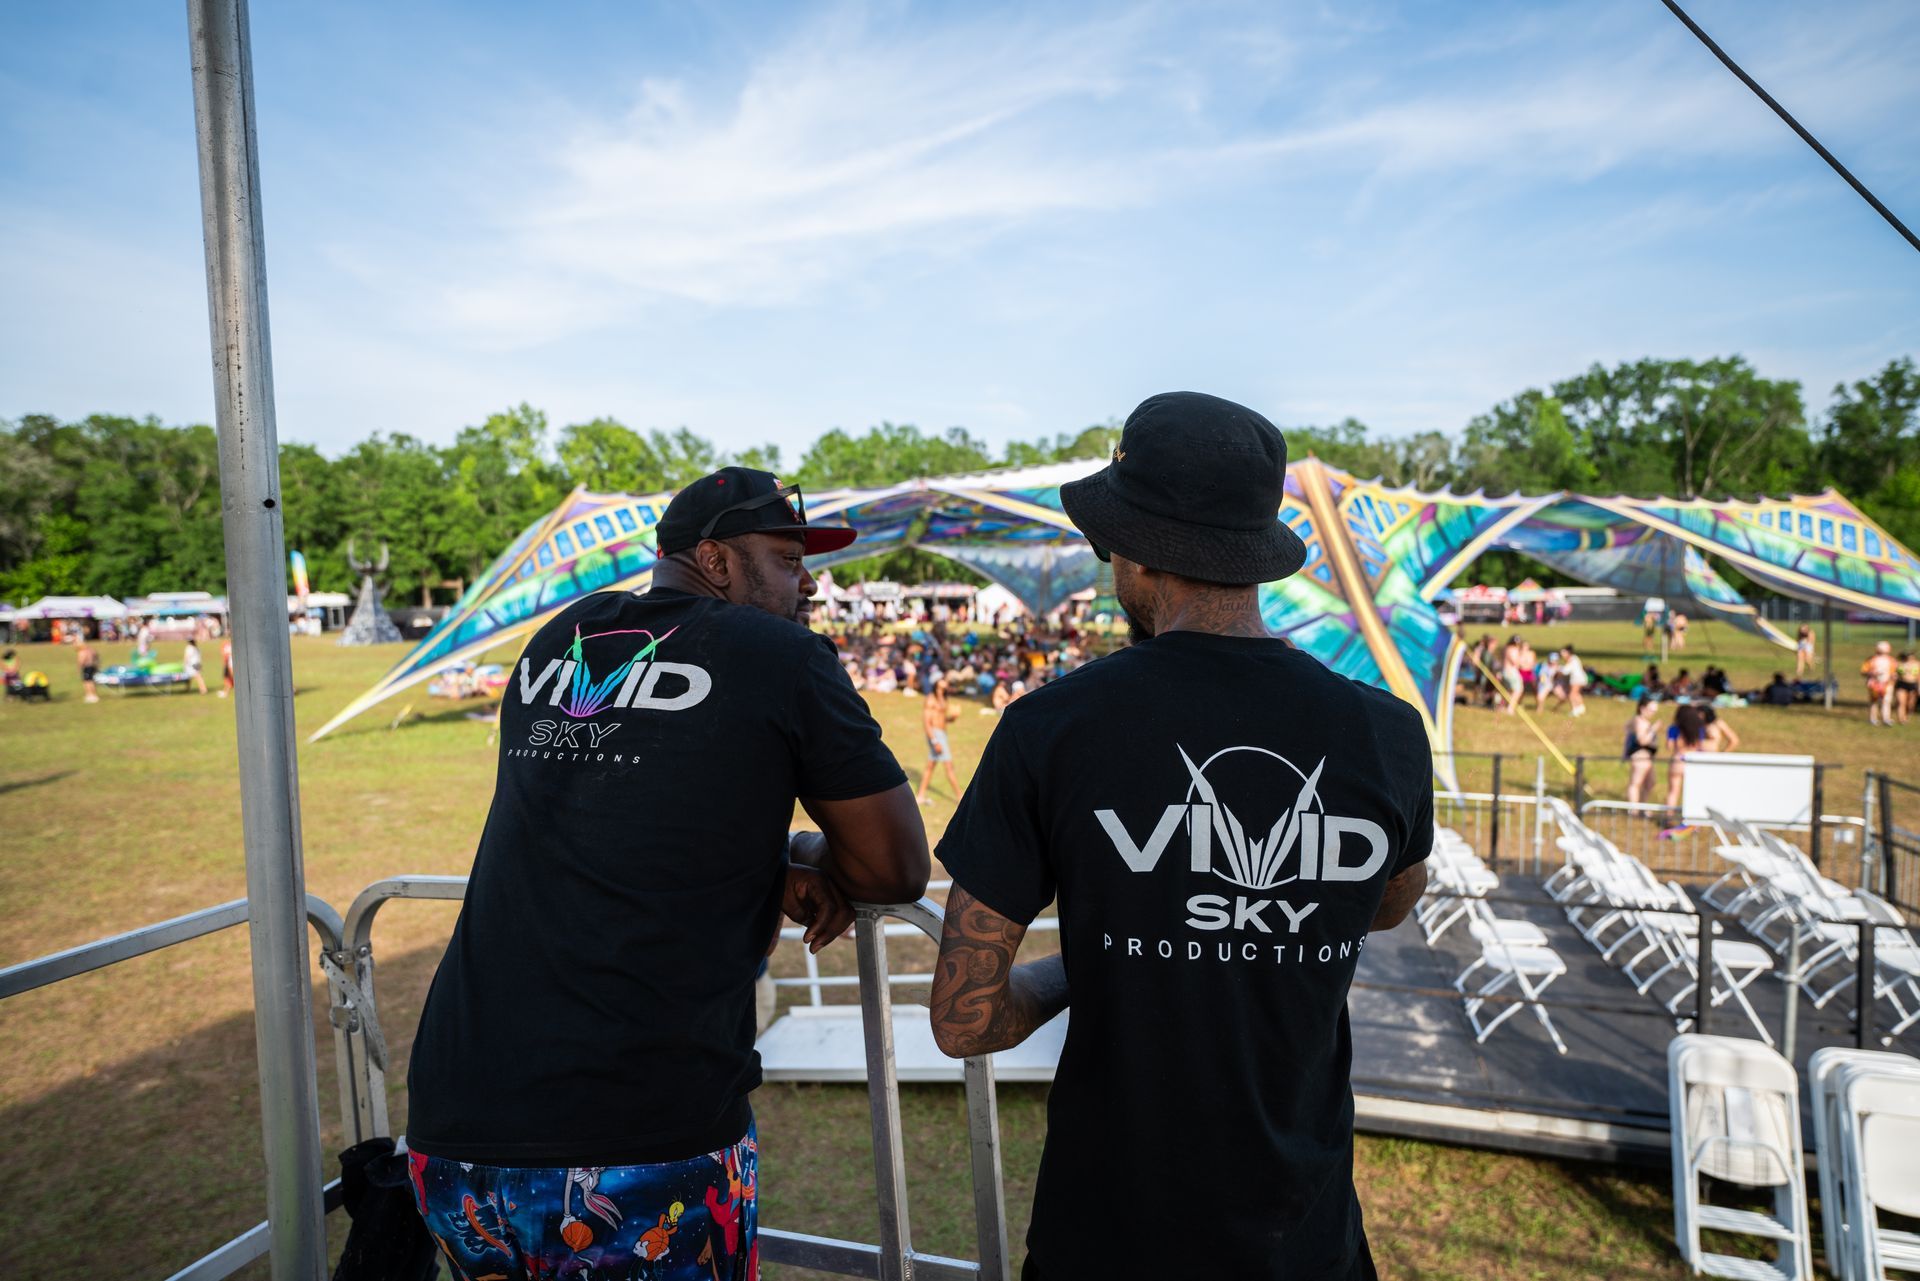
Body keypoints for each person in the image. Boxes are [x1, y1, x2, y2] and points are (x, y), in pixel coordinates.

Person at [927, 392, 1432, 1280]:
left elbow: (967, 1019)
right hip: (1304, 1241)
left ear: (1137, 551)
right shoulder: (1385, 730)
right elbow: (1391, 902)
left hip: (1110, 1237)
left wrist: (1093, 962)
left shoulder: (1055, 727)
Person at [405, 467, 930, 1278]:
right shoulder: (782, 654)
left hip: (456, 1128)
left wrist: (767, 853)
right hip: (634, 1140)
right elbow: (895, 866)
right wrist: (805, 851)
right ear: (716, 560)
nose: (812, 582)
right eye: (788, 558)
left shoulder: (561, 636)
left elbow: (625, 820)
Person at [916, 674, 963, 806]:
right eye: (942, 679)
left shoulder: (943, 698)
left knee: (931, 766)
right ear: (936, 682)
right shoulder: (930, 699)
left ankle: (920, 795)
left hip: (942, 734)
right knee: (949, 766)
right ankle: (961, 797)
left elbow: (942, 719)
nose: (945, 682)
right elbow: (927, 723)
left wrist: (952, 718)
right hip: (936, 735)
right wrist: (935, 741)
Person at [1665, 703, 1708, 809]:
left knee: (1673, 791)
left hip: (1678, 760)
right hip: (1693, 760)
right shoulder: (1699, 729)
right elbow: (1701, 747)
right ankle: (1694, 821)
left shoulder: (1674, 728)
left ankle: (1669, 817)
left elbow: (1669, 746)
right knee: (1694, 793)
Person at [1623, 697, 1661, 804]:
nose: (1652, 713)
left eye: (1654, 711)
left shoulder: (1642, 721)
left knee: (1650, 782)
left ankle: (1642, 807)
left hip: (1647, 756)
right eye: (1651, 710)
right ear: (1642, 708)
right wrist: (1653, 730)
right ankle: (1634, 810)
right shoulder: (1639, 721)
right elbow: (1642, 740)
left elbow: (1626, 728)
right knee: (1635, 783)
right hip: (1640, 755)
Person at [1864, 640, 1896, 726]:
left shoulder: (1891, 660)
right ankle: (1873, 718)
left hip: (1887, 683)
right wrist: (1871, 673)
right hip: (1874, 683)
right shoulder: (1871, 660)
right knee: (1874, 701)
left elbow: (1894, 671)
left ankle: (1886, 718)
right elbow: (1864, 671)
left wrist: (1894, 676)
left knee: (1886, 701)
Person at [1562, 643, 1588, 717]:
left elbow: (1565, 671)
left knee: (1571, 695)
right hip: (1582, 678)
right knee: (1577, 694)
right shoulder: (1575, 658)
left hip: (1577, 679)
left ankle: (1575, 710)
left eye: (1564, 653)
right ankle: (1581, 707)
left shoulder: (1571, 660)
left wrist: (1558, 669)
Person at [1896, 651, 1919, 725]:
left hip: (1913, 684)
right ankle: (1901, 719)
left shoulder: (1917, 664)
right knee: (1901, 702)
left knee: (1910, 704)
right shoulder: (1900, 663)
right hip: (1901, 684)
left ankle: (1906, 716)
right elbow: (1895, 674)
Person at [76, 639, 99, 704]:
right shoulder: (91, 650)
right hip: (93, 666)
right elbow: (96, 656)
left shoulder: (82, 652)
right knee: (92, 681)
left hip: (87, 667)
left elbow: (81, 660)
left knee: (87, 682)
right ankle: (94, 695)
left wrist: (79, 668)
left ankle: (90, 695)